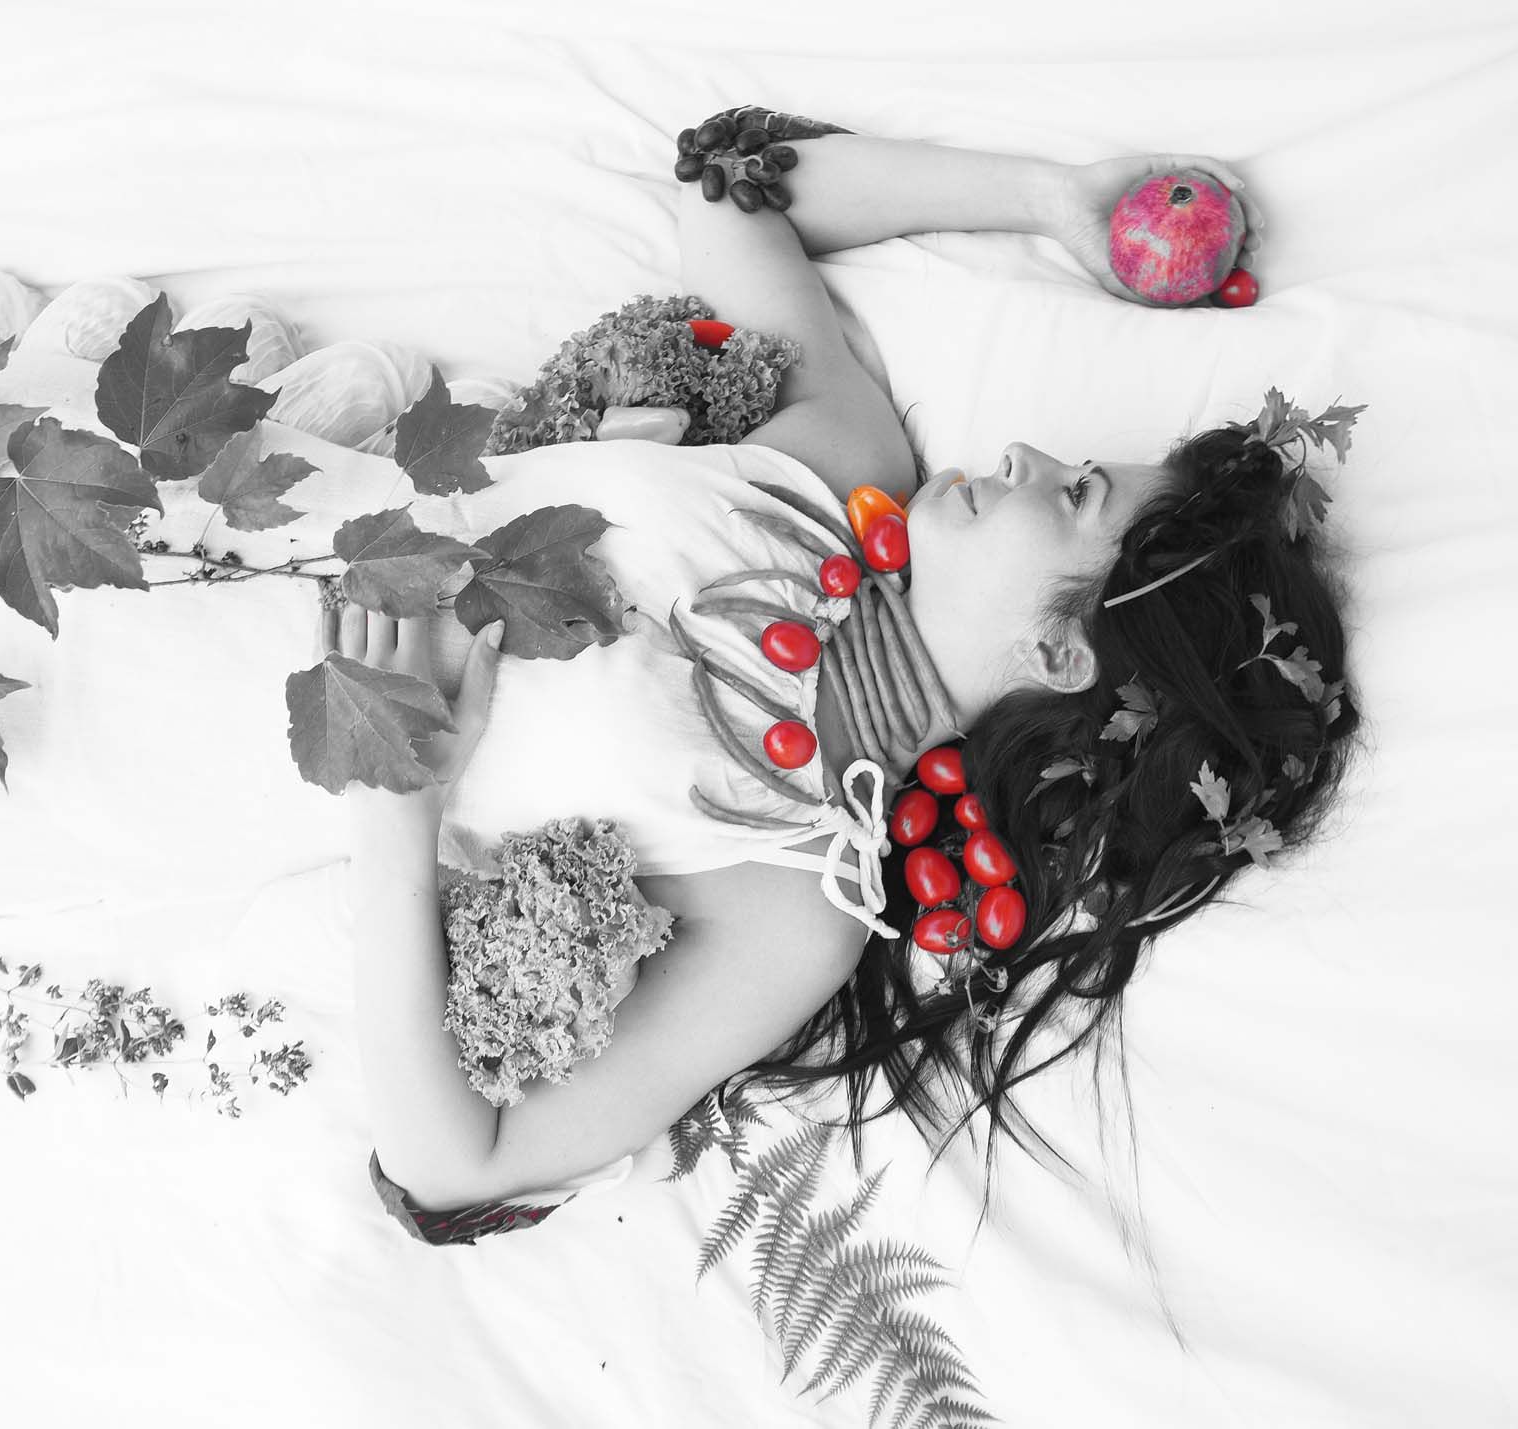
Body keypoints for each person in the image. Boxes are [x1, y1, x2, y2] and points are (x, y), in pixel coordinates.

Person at [332, 116, 1360, 1246]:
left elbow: (451, 1163)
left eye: (1073, 494)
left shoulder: (793, 901)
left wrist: (394, 815)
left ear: (1061, 655)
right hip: (248, 509)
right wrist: (1048, 197)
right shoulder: (838, 470)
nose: (1023, 454)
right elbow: (735, 186)